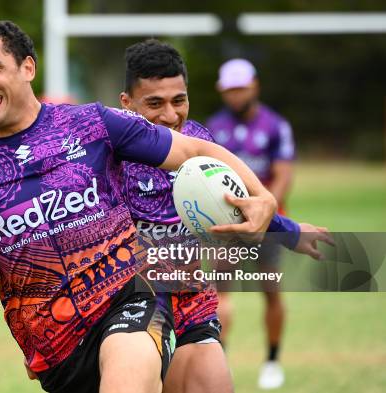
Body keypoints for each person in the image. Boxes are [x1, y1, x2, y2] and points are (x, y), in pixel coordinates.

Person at [0, 19, 279, 393]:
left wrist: (260, 195)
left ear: (28, 67)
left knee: (137, 366)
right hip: (57, 350)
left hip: (130, 300)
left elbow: (193, 150)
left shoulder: (93, 124)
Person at [118, 40, 332, 393]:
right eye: (154, 103)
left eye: (179, 100)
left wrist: (291, 232)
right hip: (131, 306)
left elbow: (236, 204)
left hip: (189, 299)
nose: (170, 115)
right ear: (127, 102)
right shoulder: (109, 151)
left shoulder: (201, 140)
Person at [206, 58, 295, 389]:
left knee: (270, 294)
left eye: (240, 88)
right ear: (221, 90)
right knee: (219, 294)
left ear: (254, 85)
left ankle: (272, 360)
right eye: (230, 89)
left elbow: (284, 177)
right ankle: (220, 360)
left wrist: (262, 210)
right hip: (227, 226)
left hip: (267, 226)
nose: (235, 95)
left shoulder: (275, 126)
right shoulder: (213, 128)